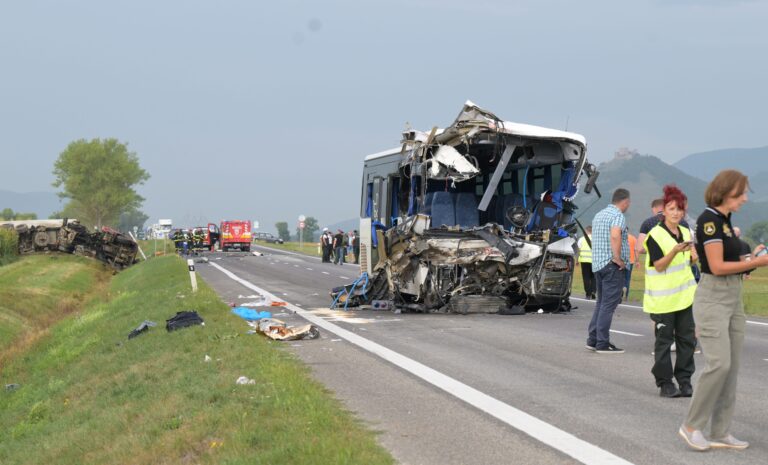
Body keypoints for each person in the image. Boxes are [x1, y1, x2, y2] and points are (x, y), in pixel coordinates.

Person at [679, 170, 768, 451]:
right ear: (725, 192)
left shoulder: (726, 223)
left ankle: (720, 430)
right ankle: (691, 425)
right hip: (714, 296)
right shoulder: (708, 222)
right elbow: (716, 267)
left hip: (733, 295)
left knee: (732, 368)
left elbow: (736, 262)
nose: (744, 199)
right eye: (740, 193)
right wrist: (761, 262)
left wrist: (752, 260)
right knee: (719, 364)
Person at [643, 185, 698, 398]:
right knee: (664, 342)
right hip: (663, 299)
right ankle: (665, 383)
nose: (676, 213)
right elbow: (659, 265)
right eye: (671, 208)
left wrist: (694, 255)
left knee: (687, 341)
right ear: (663, 211)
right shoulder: (654, 235)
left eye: (679, 209)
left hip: (685, 297)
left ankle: (685, 380)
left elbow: (692, 260)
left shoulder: (685, 232)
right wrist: (675, 251)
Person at [586, 188, 631, 354]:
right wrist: (618, 257)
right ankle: (602, 343)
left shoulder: (599, 215)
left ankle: (593, 339)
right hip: (611, 266)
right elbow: (615, 235)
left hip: (598, 265)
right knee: (608, 305)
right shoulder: (618, 215)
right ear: (625, 201)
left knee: (601, 303)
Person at [577, 226, 595, 299]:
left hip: (584, 261)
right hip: (594, 261)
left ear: (586, 231)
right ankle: (593, 291)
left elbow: (578, 250)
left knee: (586, 277)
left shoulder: (581, 239)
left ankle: (588, 294)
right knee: (594, 277)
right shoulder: (596, 239)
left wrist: (576, 260)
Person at [625, 233, 637, 301]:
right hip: (631, 261)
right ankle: (626, 295)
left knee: (620, 278)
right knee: (627, 278)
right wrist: (637, 260)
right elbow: (636, 249)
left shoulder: (620, 237)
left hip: (622, 261)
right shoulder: (633, 238)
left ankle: (620, 293)